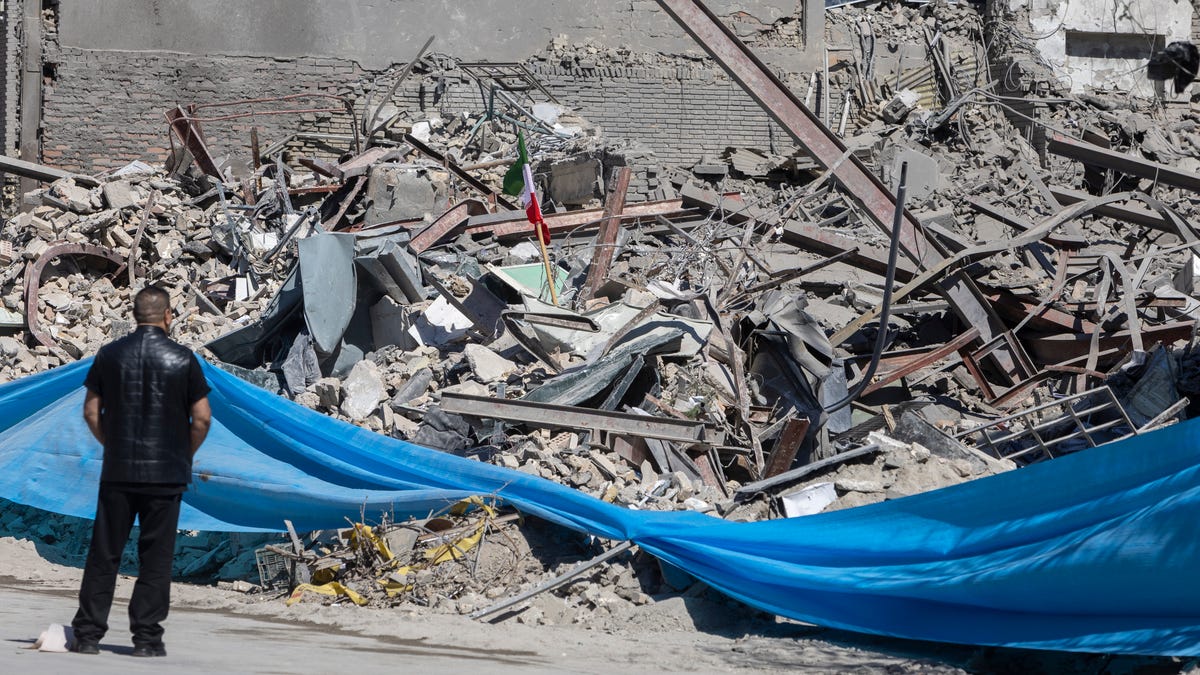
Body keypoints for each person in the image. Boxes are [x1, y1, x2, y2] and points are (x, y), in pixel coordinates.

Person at [71, 286, 212, 657]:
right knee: (156, 557)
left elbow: (90, 411)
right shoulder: (183, 359)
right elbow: (201, 419)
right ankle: (147, 641)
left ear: (135, 315)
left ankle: (87, 636)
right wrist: (183, 453)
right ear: (168, 316)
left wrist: (112, 446)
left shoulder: (109, 355)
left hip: (118, 471)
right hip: (166, 475)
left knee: (105, 553)